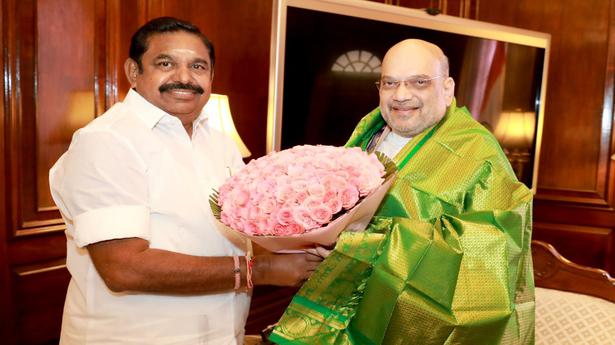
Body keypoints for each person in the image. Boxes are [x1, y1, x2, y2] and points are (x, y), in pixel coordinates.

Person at [49, 17, 321, 345]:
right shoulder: (106, 141)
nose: (184, 77)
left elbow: (242, 232)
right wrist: (259, 271)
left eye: (197, 66)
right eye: (166, 63)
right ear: (134, 72)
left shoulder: (219, 142)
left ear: (211, 76)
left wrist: (318, 238)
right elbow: (124, 268)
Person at [270, 39, 534, 344]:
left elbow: (495, 247)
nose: (401, 95)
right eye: (390, 83)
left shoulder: (476, 152)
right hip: (346, 308)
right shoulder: (369, 130)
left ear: (447, 89)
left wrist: (369, 244)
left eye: (419, 82)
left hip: (417, 325)